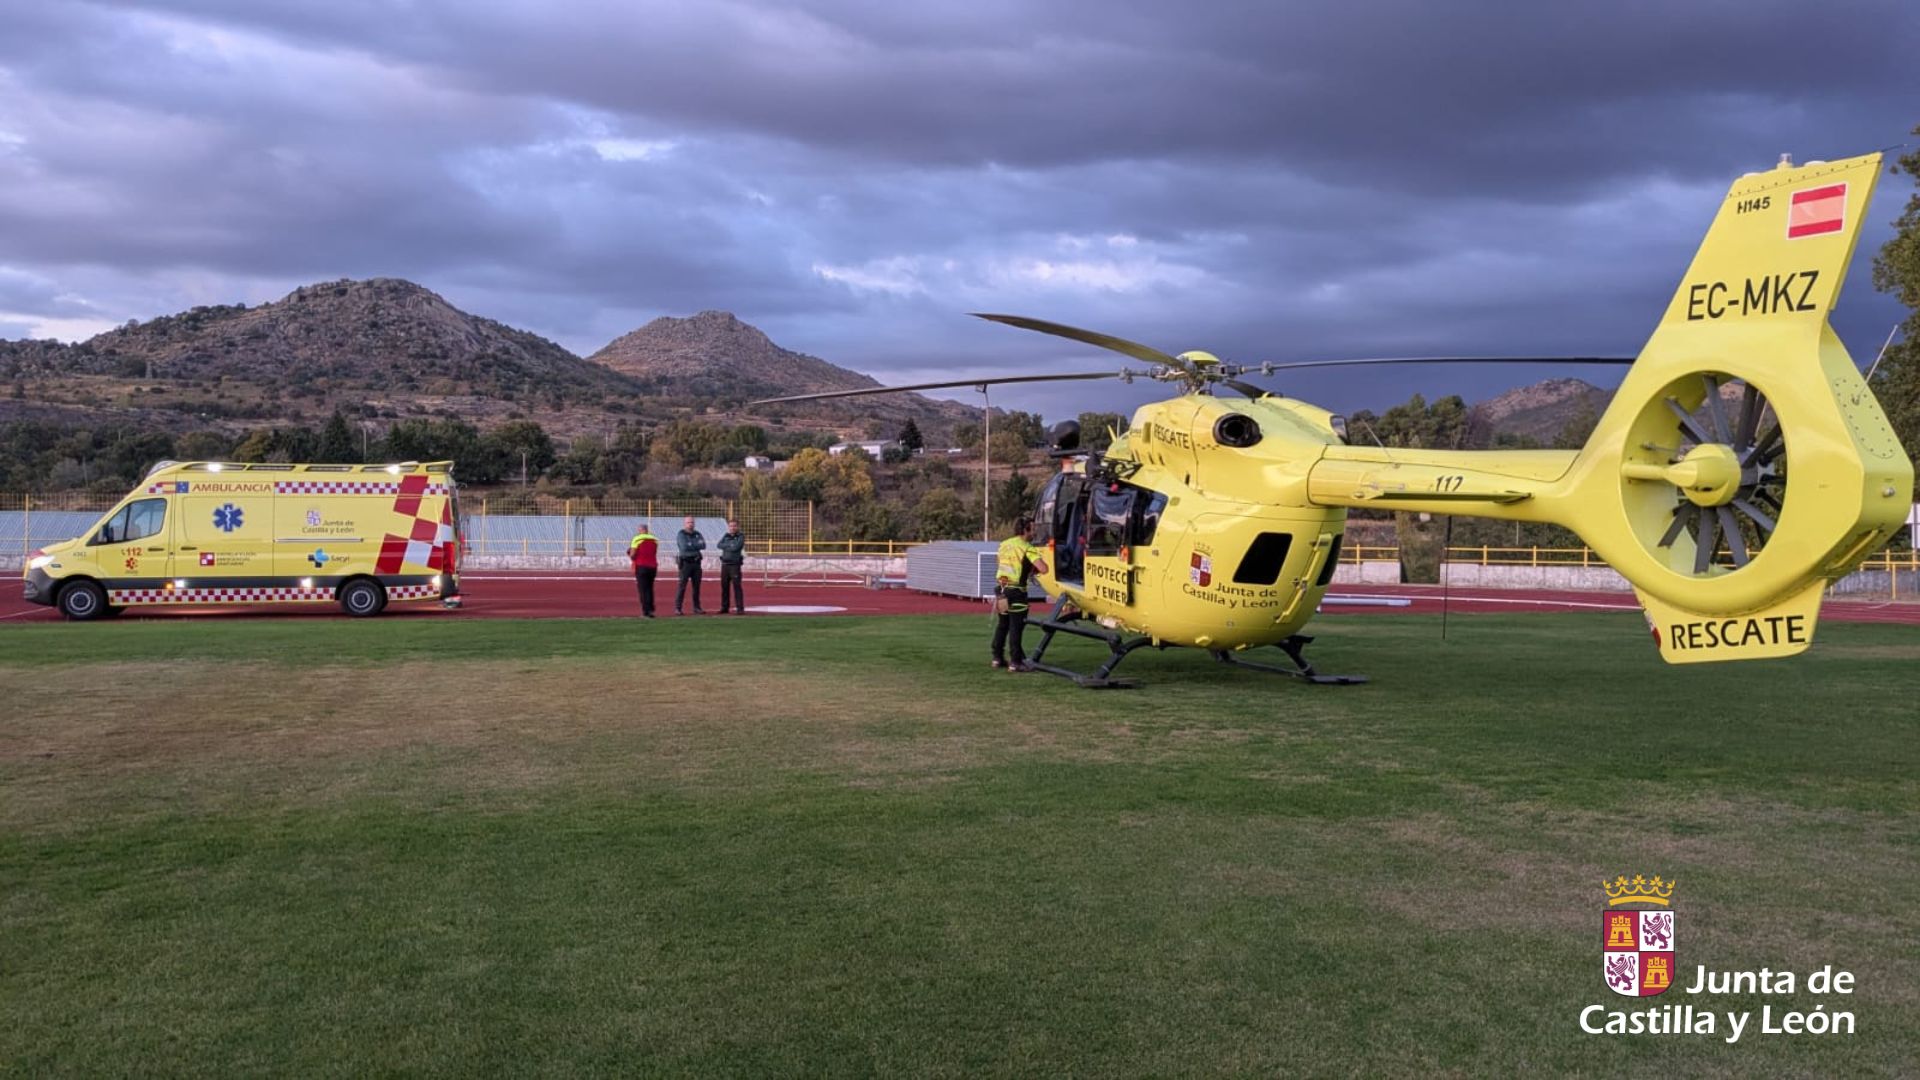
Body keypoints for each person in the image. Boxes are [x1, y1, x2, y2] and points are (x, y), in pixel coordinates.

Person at [992, 515, 1050, 673]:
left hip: (1001, 589)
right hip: (1017, 592)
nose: (1035, 532)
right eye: (1033, 528)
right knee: (1016, 627)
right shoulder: (1027, 547)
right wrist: (1034, 567)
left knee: (1003, 625)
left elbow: (1000, 563)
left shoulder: (1004, 544)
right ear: (1026, 530)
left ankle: (997, 658)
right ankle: (1015, 662)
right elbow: (1044, 569)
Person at [674, 515, 707, 615]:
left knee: (696, 587)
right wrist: (695, 546)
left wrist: (691, 544)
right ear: (685, 524)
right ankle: (678, 608)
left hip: (696, 563)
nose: (690, 524)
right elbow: (684, 547)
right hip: (685, 563)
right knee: (682, 586)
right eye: (688, 522)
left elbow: (703, 545)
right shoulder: (681, 534)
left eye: (692, 522)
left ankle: (696, 607)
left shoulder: (697, 534)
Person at [626, 520, 660, 617]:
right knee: (650, 588)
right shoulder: (654, 539)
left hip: (641, 566)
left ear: (641, 530)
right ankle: (651, 610)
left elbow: (633, 555)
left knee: (643, 589)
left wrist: (630, 553)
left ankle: (646, 611)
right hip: (653, 566)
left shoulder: (637, 539)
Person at [717, 518, 746, 614]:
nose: (732, 528)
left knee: (737, 587)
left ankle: (740, 608)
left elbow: (736, 547)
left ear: (737, 527)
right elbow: (719, 545)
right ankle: (724, 607)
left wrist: (727, 545)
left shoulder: (740, 536)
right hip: (725, 565)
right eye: (730, 526)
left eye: (734, 526)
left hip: (735, 566)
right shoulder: (726, 536)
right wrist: (730, 545)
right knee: (724, 587)